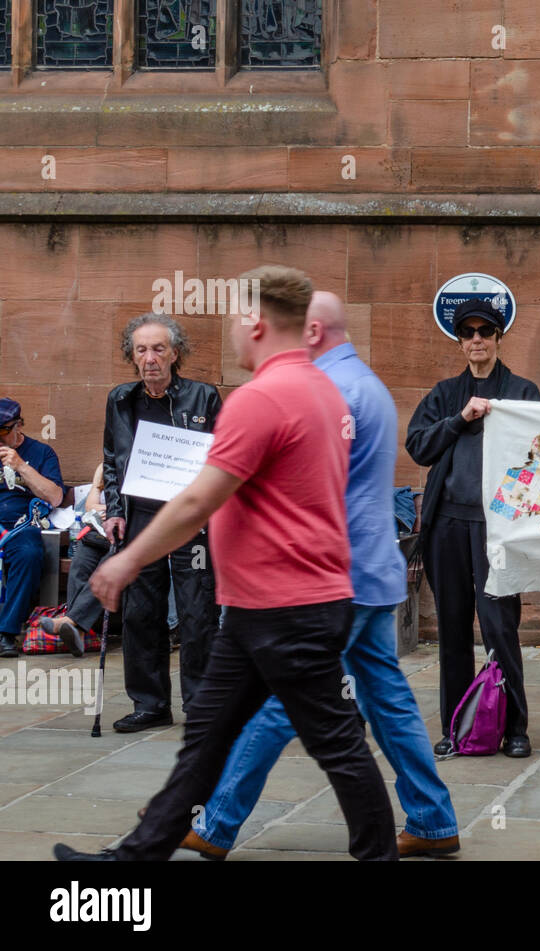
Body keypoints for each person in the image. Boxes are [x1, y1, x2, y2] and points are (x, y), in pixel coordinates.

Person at [54, 265, 397, 862]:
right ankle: (132, 860)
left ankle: (378, 855)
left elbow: (195, 500)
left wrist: (124, 561)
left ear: (257, 322)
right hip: (274, 603)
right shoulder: (322, 390)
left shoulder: (260, 399)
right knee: (208, 739)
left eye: (237, 318)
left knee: (337, 745)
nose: (233, 332)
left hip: (286, 607)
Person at [179, 291, 460, 860]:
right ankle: (433, 820)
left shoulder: (326, 389)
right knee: (388, 698)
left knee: (282, 700)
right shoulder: (368, 385)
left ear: (310, 331)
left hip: (336, 576)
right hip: (372, 570)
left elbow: (301, 487)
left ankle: (216, 824)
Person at [407, 298, 540, 758]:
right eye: (468, 333)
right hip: (447, 526)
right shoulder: (446, 393)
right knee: (452, 630)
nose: (477, 339)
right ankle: (456, 726)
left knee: (500, 626)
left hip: (497, 530)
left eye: (485, 331)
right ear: (460, 341)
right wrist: (459, 419)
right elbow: (418, 447)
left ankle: (515, 727)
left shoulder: (522, 392)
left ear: (499, 336)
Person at [102, 313, 221, 731]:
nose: (150, 358)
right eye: (141, 350)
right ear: (131, 357)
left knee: (197, 613)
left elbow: (223, 459)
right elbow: (113, 462)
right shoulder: (121, 400)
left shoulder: (203, 397)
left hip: (192, 520)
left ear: (175, 353)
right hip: (143, 517)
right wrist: (115, 511)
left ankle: (202, 705)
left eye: (158, 349)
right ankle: (150, 704)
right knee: (140, 612)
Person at [0, 399, 65, 657]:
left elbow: (55, 497)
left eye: (3, 431)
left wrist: (20, 466)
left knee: (29, 552)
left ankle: (7, 632)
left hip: (21, 525)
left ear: (19, 426)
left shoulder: (41, 453)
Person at [39, 463, 110, 656]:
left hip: (131, 537)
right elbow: (90, 507)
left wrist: (107, 510)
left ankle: (70, 621)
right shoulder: (106, 464)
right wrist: (96, 486)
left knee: (107, 567)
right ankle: (77, 631)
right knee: (81, 560)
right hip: (101, 533)